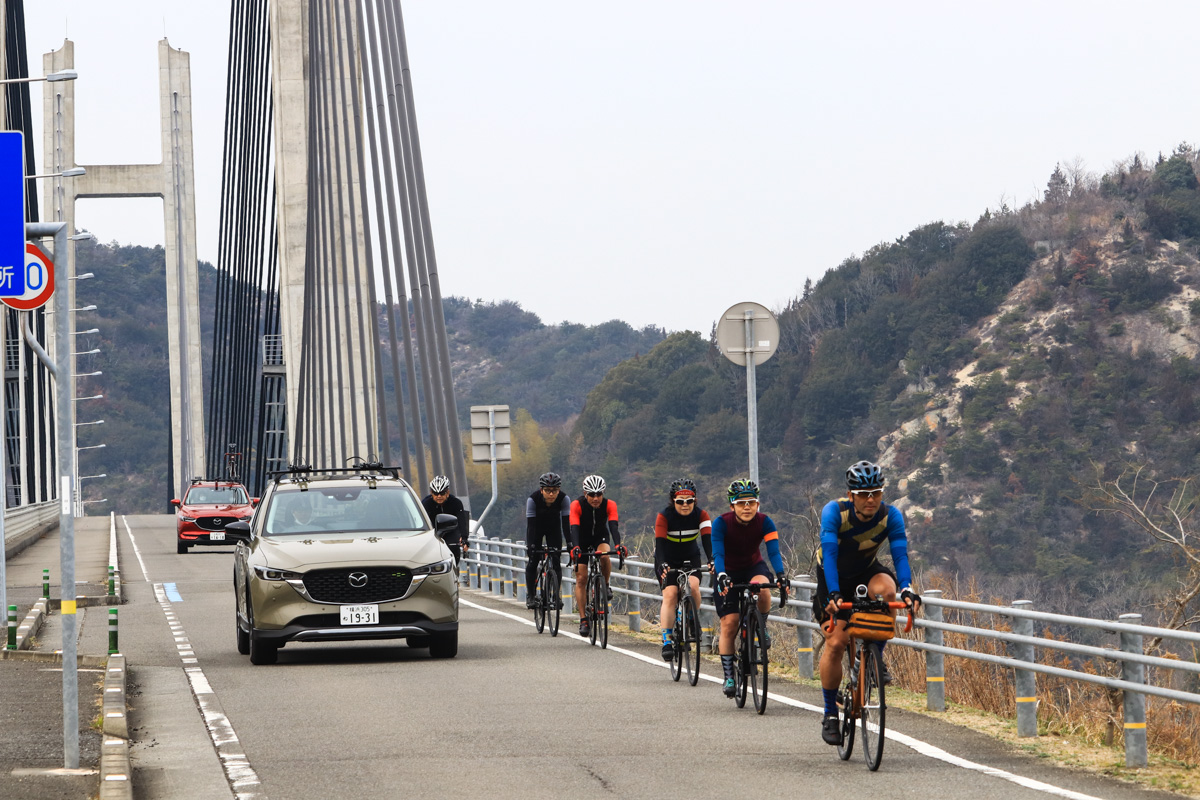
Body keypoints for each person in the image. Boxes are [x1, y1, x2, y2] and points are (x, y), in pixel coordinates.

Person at [815, 460, 921, 746]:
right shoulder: (834, 512)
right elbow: (830, 555)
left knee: (888, 591)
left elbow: (899, 555)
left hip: (866, 569)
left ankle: (872, 654)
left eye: (875, 492)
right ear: (851, 495)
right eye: (863, 494)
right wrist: (835, 594)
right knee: (836, 643)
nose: (871, 499)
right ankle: (829, 714)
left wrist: (908, 589)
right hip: (832, 575)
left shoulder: (891, 516)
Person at [712, 479, 788, 698]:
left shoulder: (765, 522)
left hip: (753, 566)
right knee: (730, 623)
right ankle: (728, 675)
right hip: (727, 570)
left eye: (752, 502)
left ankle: (760, 624)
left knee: (762, 589)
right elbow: (718, 553)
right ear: (732, 505)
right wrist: (721, 575)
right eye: (741, 503)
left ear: (758, 504)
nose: (747, 507)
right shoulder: (721, 523)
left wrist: (781, 575)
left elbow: (773, 552)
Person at [654, 478, 713, 661]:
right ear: (673, 501)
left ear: (695, 500)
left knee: (694, 586)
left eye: (689, 501)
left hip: (690, 557)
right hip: (667, 559)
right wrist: (663, 564)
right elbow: (660, 546)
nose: (685, 505)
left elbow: (707, 541)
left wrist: (712, 559)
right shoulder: (664, 516)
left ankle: (691, 617)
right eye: (680, 501)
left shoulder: (701, 515)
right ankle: (667, 639)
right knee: (670, 594)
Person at [567, 475, 627, 638]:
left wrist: (618, 545)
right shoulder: (577, 505)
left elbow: (613, 526)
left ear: (603, 493)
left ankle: (605, 584)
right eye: (591, 494)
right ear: (585, 493)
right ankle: (584, 619)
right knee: (581, 578)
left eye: (599, 494)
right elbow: (574, 527)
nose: (595, 498)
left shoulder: (610, 505)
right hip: (582, 539)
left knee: (605, 556)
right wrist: (576, 547)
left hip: (600, 536)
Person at [525, 472, 570, 610]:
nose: (551, 494)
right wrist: (531, 546)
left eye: (555, 491)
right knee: (533, 561)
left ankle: (556, 594)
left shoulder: (564, 499)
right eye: (548, 491)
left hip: (553, 529)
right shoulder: (532, 500)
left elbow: (566, 524)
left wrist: (569, 543)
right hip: (536, 529)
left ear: (559, 490)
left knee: (556, 560)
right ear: (541, 490)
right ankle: (531, 595)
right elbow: (531, 526)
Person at [421, 475, 470, 566]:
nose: (439, 496)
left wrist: (464, 539)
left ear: (447, 492)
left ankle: (454, 571)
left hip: (451, 531)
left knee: (454, 549)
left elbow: (462, 521)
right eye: (436, 493)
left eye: (442, 493)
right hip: (433, 532)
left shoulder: (456, 503)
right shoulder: (426, 503)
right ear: (431, 493)